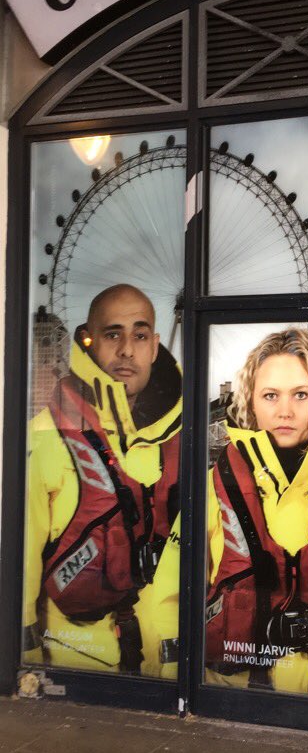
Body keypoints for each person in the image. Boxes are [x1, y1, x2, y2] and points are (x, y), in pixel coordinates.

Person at [22, 284, 182, 676]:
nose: (127, 349)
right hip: (78, 665)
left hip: (165, 673)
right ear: (88, 341)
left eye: (140, 335)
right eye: (113, 334)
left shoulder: (182, 440)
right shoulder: (44, 439)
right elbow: (18, 559)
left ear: (156, 344)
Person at [204, 327, 308, 699]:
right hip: (234, 693)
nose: (285, 411)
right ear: (251, 402)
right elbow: (174, 594)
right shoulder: (214, 490)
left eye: (301, 394)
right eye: (270, 395)